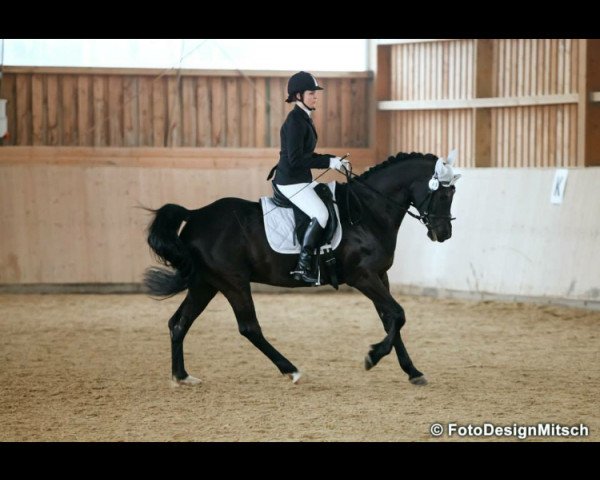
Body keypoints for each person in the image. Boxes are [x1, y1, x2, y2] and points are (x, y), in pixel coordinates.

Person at [269, 71, 350, 283]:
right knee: (321, 214)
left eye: (315, 93)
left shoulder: (304, 118)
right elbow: (296, 160)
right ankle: (303, 265)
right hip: (290, 181)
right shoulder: (295, 120)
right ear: (298, 96)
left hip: (300, 178)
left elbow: (306, 155)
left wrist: (333, 159)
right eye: (311, 93)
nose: (315, 97)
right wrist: (326, 163)